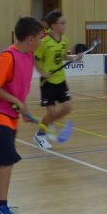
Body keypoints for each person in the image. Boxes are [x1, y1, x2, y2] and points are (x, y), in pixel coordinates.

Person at [0, 16, 45, 214]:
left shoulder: (29, 55)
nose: (41, 41)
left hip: (11, 114)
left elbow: (17, 87)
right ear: (31, 39)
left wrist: (22, 108)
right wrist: (17, 102)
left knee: (3, 153)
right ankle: (0, 207)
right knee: (7, 159)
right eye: (40, 37)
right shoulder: (8, 57)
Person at [33, 10, 81, 150]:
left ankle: (48, 123)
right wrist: (43, 73)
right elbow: (35, 59)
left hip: (61, 80)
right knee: (52, 112)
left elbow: (64, 56)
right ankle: (40, 135)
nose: (65, 25)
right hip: (47, 82)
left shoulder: (65, 41)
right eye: (62, 23)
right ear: (53, 25)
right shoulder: (44, 42)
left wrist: (75, 57)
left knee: (67, 108)